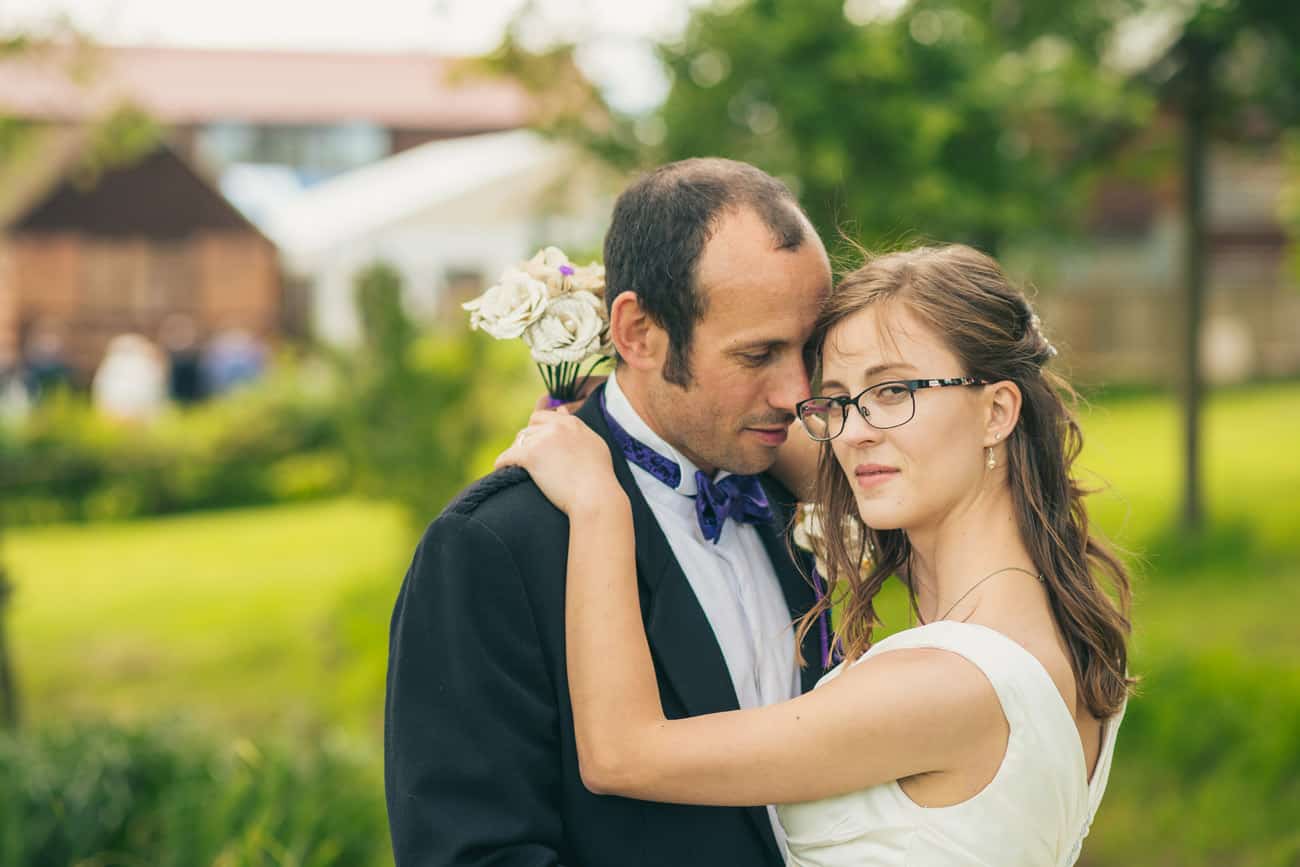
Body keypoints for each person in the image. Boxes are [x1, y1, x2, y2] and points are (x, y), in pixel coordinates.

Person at [499, 244, 1134, 867]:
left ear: (996, 411)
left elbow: (622, 755)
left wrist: (599, 504)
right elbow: (828, 455)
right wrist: (662, 390)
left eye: (893, 391)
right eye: (838, 400)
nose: (856, 431)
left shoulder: (948, 683)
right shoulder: (1047, 627)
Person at [384, 158, 833, 866]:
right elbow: (472, 852)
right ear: (639, 332)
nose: (797, 393)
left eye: (811, 348)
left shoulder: (789, 493)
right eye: (759, 354)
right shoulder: (495, 546)